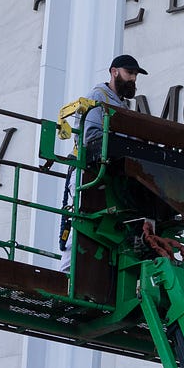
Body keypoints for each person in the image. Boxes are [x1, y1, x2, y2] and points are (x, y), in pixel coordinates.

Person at [59, 53, 149, 267]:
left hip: (105, 176)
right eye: (129, 73)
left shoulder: (123, 106)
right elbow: (90, 138)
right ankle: (65, 276)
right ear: (114, 72)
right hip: (86, 172)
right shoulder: (98, 96)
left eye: (135, 75)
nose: (133, 79)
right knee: (80, 224)